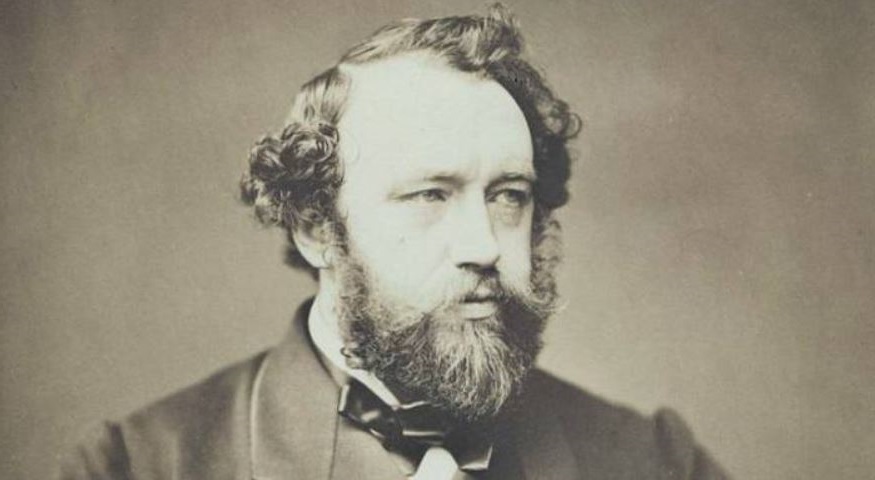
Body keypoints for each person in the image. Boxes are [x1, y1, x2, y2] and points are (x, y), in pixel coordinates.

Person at [60, 5, 729, 479]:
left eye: (508, 195)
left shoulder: (653, 460)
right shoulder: (133, 467)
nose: (484, 246)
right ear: (317, 227)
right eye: (429, 195)